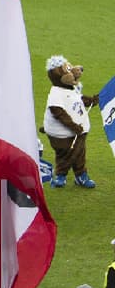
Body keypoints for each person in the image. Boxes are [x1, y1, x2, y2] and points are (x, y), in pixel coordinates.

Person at [43, 55, 97, 188]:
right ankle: (61, 175)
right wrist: (73, 126)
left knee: (79, 153)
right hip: (62, 133)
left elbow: (78, 99)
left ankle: (80, 176)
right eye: (68, 70)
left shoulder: (71, 88)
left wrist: (91, 101)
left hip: (79, 130)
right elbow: (58, 112)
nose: (73, 72)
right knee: (64, 154)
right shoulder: (56, 93)